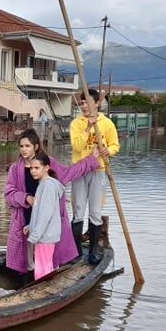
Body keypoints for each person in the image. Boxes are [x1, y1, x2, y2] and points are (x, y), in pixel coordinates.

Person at [4, 129, 99, 280]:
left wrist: (90, 160)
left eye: (27, 146)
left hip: (47, 218)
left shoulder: (48, 163)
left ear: (36, 147)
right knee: (28, 257)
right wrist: (26, 198)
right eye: (21, 146)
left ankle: (46, 279)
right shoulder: (15, 169)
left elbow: (68, 173)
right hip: (25, 217)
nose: (23, 150)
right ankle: (30, 280)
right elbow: (9, 194)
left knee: (46, 255)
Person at [69, 89, 120, 264]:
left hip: (98, 170)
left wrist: (108, 150)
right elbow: (77, 146)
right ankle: (76, 252)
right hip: (79, 170)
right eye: (82, 103)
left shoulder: (106, 124)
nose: (84, 106)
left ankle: (93, 252)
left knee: (95, 212)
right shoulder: (77, 123)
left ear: (97, 104)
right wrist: (88, 128)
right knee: (78, 210)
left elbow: (115, 145)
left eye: (88, 102)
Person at [23, 153, 66, 280]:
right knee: (44, 266)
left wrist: (34, 235)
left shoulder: (48, 186)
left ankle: (45, 289)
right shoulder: (43, 184)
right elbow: (39, 211)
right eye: (31, 168)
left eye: (37, 168)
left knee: (42, 269)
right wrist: (31, 226)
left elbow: (46, 213)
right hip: (44, 234)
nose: (33, 171)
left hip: (45, 236)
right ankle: (46, 286)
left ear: (46, 168)